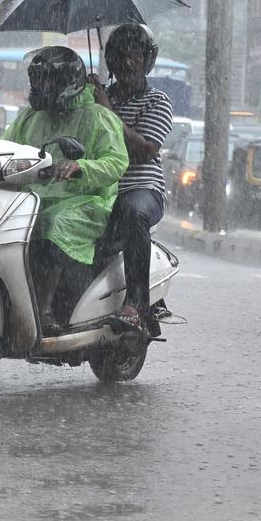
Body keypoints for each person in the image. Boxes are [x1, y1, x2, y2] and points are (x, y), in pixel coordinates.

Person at [0, 46, 129, 333]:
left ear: (68, 82)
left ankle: (44, 310)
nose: (41, 86)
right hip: (34, 198)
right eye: (38, 79)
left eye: (48, 80)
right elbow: (5, 146)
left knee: (53, 224)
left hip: (86, 201)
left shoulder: (98, 117)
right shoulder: (28, 118)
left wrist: (81, 167)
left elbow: (117, 161)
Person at [95, 24, 174, 331]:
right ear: (111, 61)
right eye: (120, 55)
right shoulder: (98, 97)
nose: (128, 62)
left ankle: (137, 304)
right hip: (99, 186)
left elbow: (144, 150)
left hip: (142, 188)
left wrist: (106, 109)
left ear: (147, 60)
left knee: (132, 212)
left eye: (135, 54)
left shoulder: (157, 101)